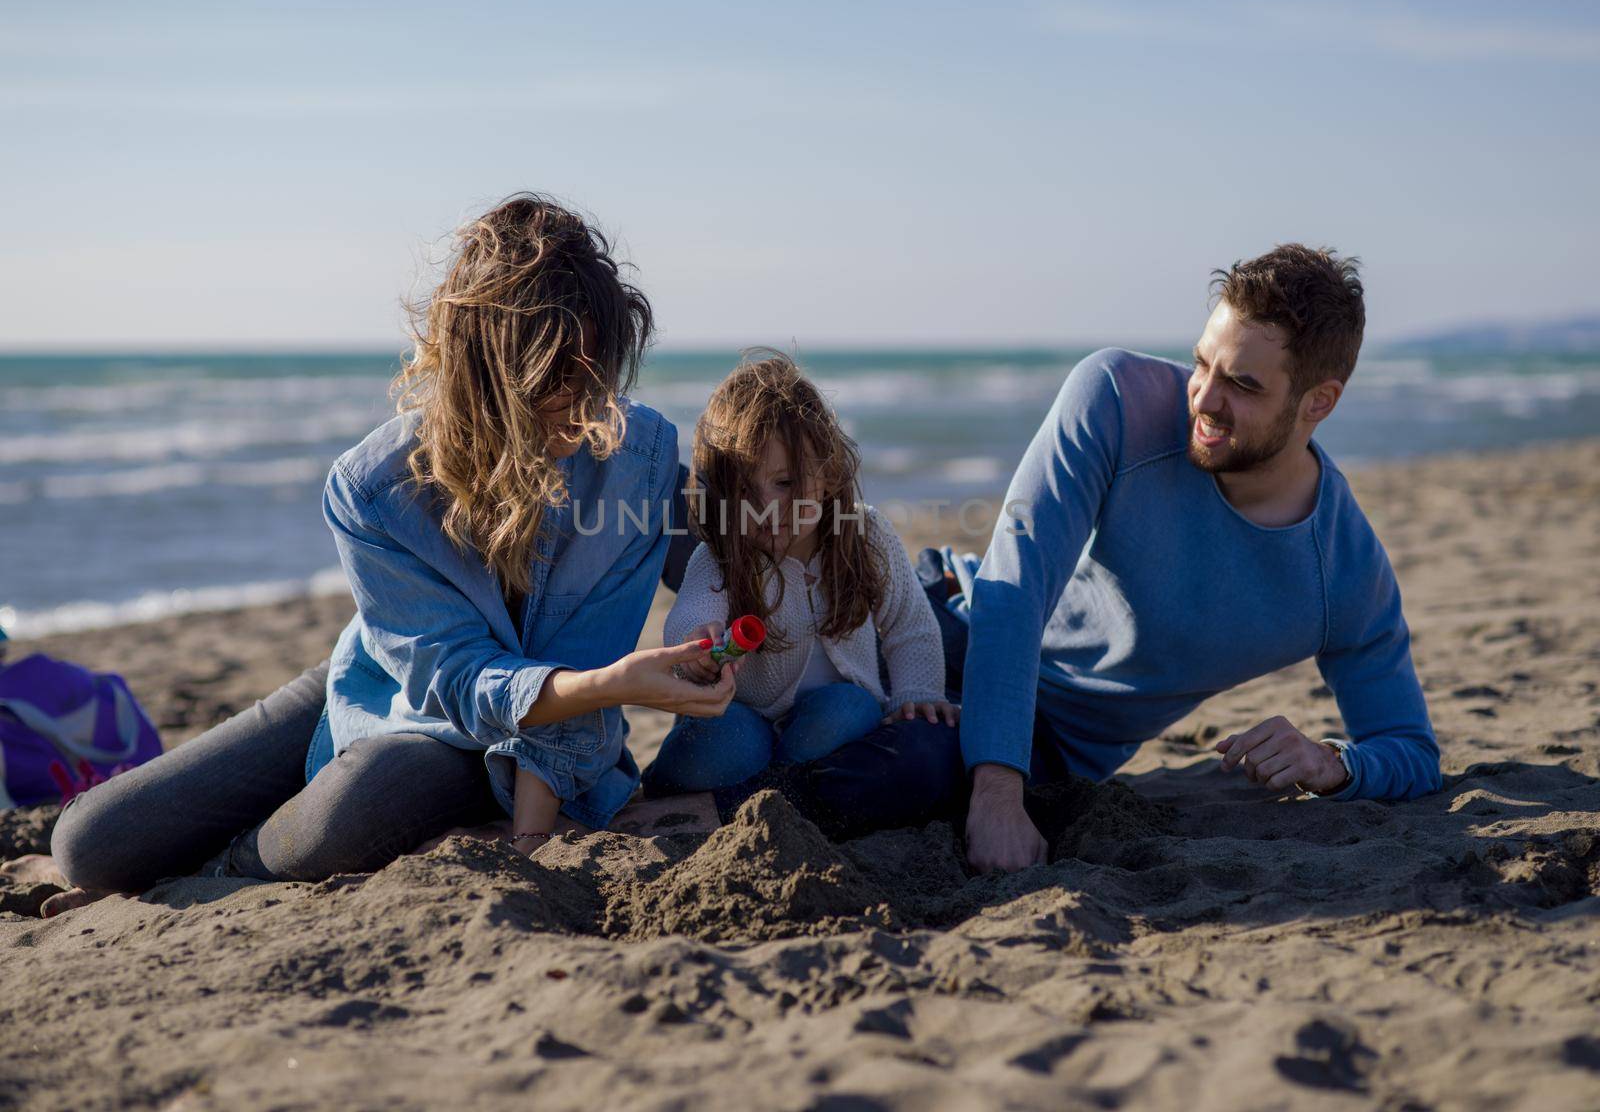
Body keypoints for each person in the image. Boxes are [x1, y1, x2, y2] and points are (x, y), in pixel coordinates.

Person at [44, 193, 736, 909]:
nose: (586, 406)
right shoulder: (371, 489)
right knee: (90, 844)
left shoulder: (638, 453)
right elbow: (456, 677)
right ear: (488, 373)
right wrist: (617, 684)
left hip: (503, 743)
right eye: (560, 379)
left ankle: (231, 865)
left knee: (368, 796)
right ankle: (251, 825)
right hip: (395, 672)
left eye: (597, 377)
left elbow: (737, 555)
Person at [953, 244, 1443, 873]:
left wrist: (1331, 761)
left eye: (1241, 384)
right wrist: (996, 796)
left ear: (1319, 402)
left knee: (888, 775)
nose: (1204, 400)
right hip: (949, 626)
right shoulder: (1116, 397)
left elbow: (1410, 751)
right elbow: (1012, 588)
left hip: (1055, 746)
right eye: (1201, 364)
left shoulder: (1341, 569)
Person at [645, 353, 956, 796]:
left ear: (828, 472)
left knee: (849, 709)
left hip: (826, 720)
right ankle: (677, 782)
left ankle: (777, 791)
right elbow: (689, 614)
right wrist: (696, 644)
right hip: (742, 714)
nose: (769, 507)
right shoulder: (723, 557)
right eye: (745, 493)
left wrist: (917, 691)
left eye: (786, 483)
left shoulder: (864, 536)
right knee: (732, 742)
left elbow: (909, 624)